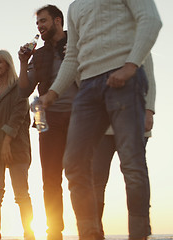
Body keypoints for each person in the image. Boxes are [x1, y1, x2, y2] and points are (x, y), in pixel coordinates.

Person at [39, 0, 162, 239]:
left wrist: (130, 65)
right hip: (88, 87)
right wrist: (52, 93)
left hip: (124, 79)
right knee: (74, 164)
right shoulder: (75, 8)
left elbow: (151, 20)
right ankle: (91, 234)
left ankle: (139, 234)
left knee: (132, 164)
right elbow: (73, 56)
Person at [17, 5, 77, 240]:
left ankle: (89, 229)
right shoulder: (38, 54)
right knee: (50, 180)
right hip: (48, 122)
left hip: (79, 117)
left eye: (44, 21)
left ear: (58, 20)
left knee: (80, 175)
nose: (40, 27)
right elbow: (23, 90)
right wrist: (23, 62)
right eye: (37, 23)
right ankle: (55, 233)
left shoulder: (75, 44)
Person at [92, 54, 156, 237]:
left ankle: (140, 232)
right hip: (102, 123)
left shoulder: (135, 34)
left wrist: (149, 111)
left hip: (133, 117)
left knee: (135, 177)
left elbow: (149, 74)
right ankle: (95, 232)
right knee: (95, 181)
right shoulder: (98, 38)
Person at [0, 50, 34, 240]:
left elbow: (18, 117)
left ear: (8, 64)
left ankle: (29, 234)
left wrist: (7, 143)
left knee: (21, 193)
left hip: (16, 145)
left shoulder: (19, 87)